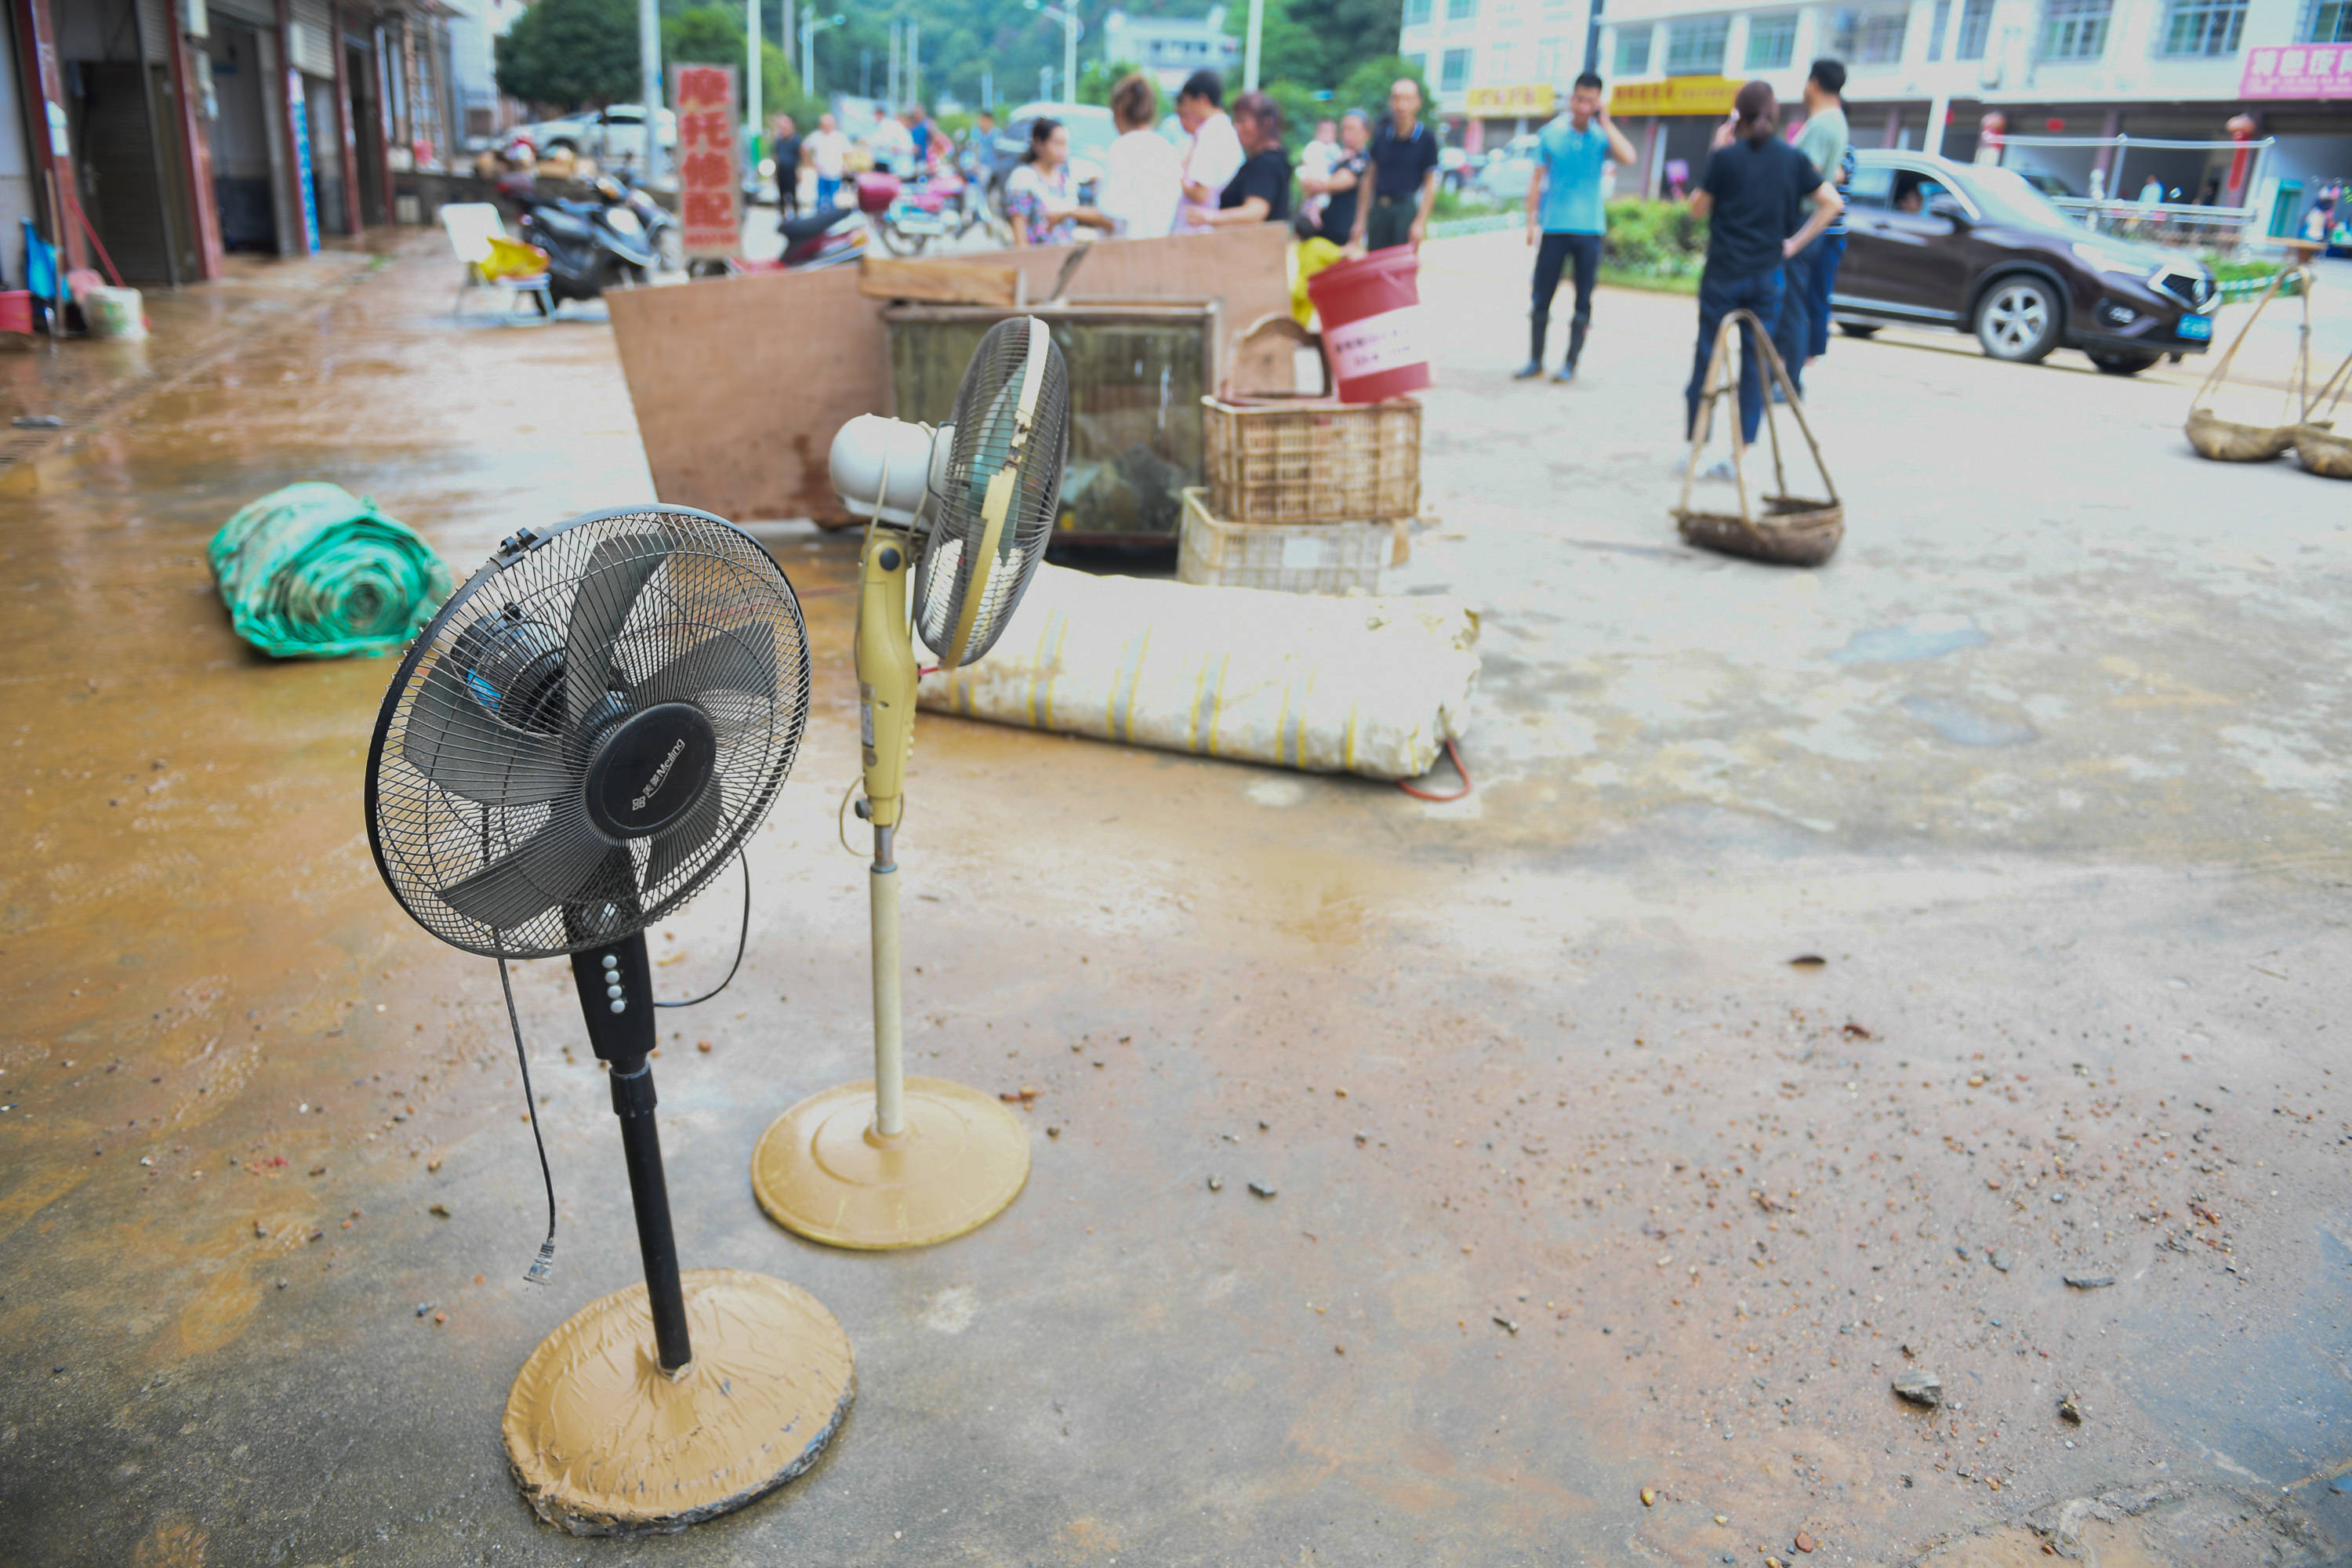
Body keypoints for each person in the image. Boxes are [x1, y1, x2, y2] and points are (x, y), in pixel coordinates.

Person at [1684, 81, 1842, 453]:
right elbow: (1832, 203)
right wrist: (1794, 244)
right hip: (1767, 277)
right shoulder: (1791, 159)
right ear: (1774, 115)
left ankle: (1697, 444)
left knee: (1708, 357)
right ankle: (1743, 449)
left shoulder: (1725, 159)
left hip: (1724, 275)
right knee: (1756, 364)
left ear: (1736, 116)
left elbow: (1696, 209)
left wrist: (1715, 152)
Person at [1518, 71, 1637, 383]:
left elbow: (1629, 157)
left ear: (1598, 102)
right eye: (1580, 99)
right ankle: (1535, 360)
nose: (1584, 107)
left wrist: (1607, 123)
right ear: (1572, 99)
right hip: (1555, 228)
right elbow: (1536, 180)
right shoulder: (1550, 134)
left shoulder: (1601, 136)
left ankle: (1570, 364)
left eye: (1591, 101)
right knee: (1541, 297)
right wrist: (1531, 222)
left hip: (1589, 231)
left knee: (1583, 300)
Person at [1769, 58, 1848, 397]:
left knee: (1792, 305)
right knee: (1795, 302)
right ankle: (1786, 379)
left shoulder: (1821, 125)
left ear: (1813, 83)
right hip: (1809, 221)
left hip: (1801, 219)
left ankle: (1790, 383)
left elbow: (1807, 174)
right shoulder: (1836, 122)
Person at [1349, 78, 1440, 252]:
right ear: (1391, 102)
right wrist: (1360, 221)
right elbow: (1369, 177)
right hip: (1379, 210)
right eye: (1397, 98)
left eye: (1407, 99)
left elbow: (1430, 182)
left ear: (1417, 103)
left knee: (1402, 267)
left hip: (1405, 211)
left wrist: (1420, 222)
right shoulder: (1381, 136)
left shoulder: (1426, 138)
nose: (1401, 105)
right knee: (1375, 266)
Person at [1098, 72, 1184, 239]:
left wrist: (1070, 213)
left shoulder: (1121, 148)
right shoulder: (1168, 150)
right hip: (1158, 251)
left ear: (1119, 110)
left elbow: (1112, 216)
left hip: (1124, 254)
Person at [1003, 118, 1112, 246]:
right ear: (1038, 144)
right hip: (1038, 259)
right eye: (1057, 143)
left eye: (1065, 144)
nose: (1063, 150)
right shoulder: (1023, 179)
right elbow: (1020, 238)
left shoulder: (1067, 180)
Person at [1195, 91, 1292, 228]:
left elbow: (1255, 212)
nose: (1237, 127)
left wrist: (1208, 217)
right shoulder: (1269, 160)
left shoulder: (1267, 163)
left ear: (1266, 123)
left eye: (1242, 120)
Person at [1176, 70, 1245, 231]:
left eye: (1188, 102)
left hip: (1201, 231)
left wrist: (1174, 178)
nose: (1187, 109)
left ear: (1202, 100)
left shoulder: (1211, 133)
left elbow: (1201, 194)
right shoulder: (1224, 129)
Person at [1304, 109, 1370, 245]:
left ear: (1365, 132)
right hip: (1322, 231)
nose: (1347, 134)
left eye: (1352, 129)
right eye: (1344, 129)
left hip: (1344, 234)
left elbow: (1335, 183)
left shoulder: (1362, 160)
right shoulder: (1337, 156)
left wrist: (1316, 183)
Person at [1298, 117, 1340, 227]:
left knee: (1324, 198)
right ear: (1317, 133)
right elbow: (1305, 162)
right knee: (1309, 199)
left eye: (1330, 132)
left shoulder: (1335, 148)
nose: (1327, 135)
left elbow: (1339, 160)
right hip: (1314, 176)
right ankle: (1306, 215)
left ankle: (1314, 212)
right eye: (1324, 131)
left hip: (1325, 180)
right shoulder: (1313, 146)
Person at [806, 112, 850, 210]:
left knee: (833, 200)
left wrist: (844, 166)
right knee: (820, 200)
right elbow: (805, 148)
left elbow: (848, 153)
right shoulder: (816, 136)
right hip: (822, 173)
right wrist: (811, 163)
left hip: (835, 173)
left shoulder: (840, 137)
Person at [770, 114, 801, 218]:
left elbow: (800, 157)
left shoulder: (796, 140)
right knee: (781, 196)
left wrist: (799, 171)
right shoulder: (778, 140)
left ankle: (796, 217)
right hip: (781, 171)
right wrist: (774, 172)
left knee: (793, 196)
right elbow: (775, 156)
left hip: (791, 171)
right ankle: (783, 217)